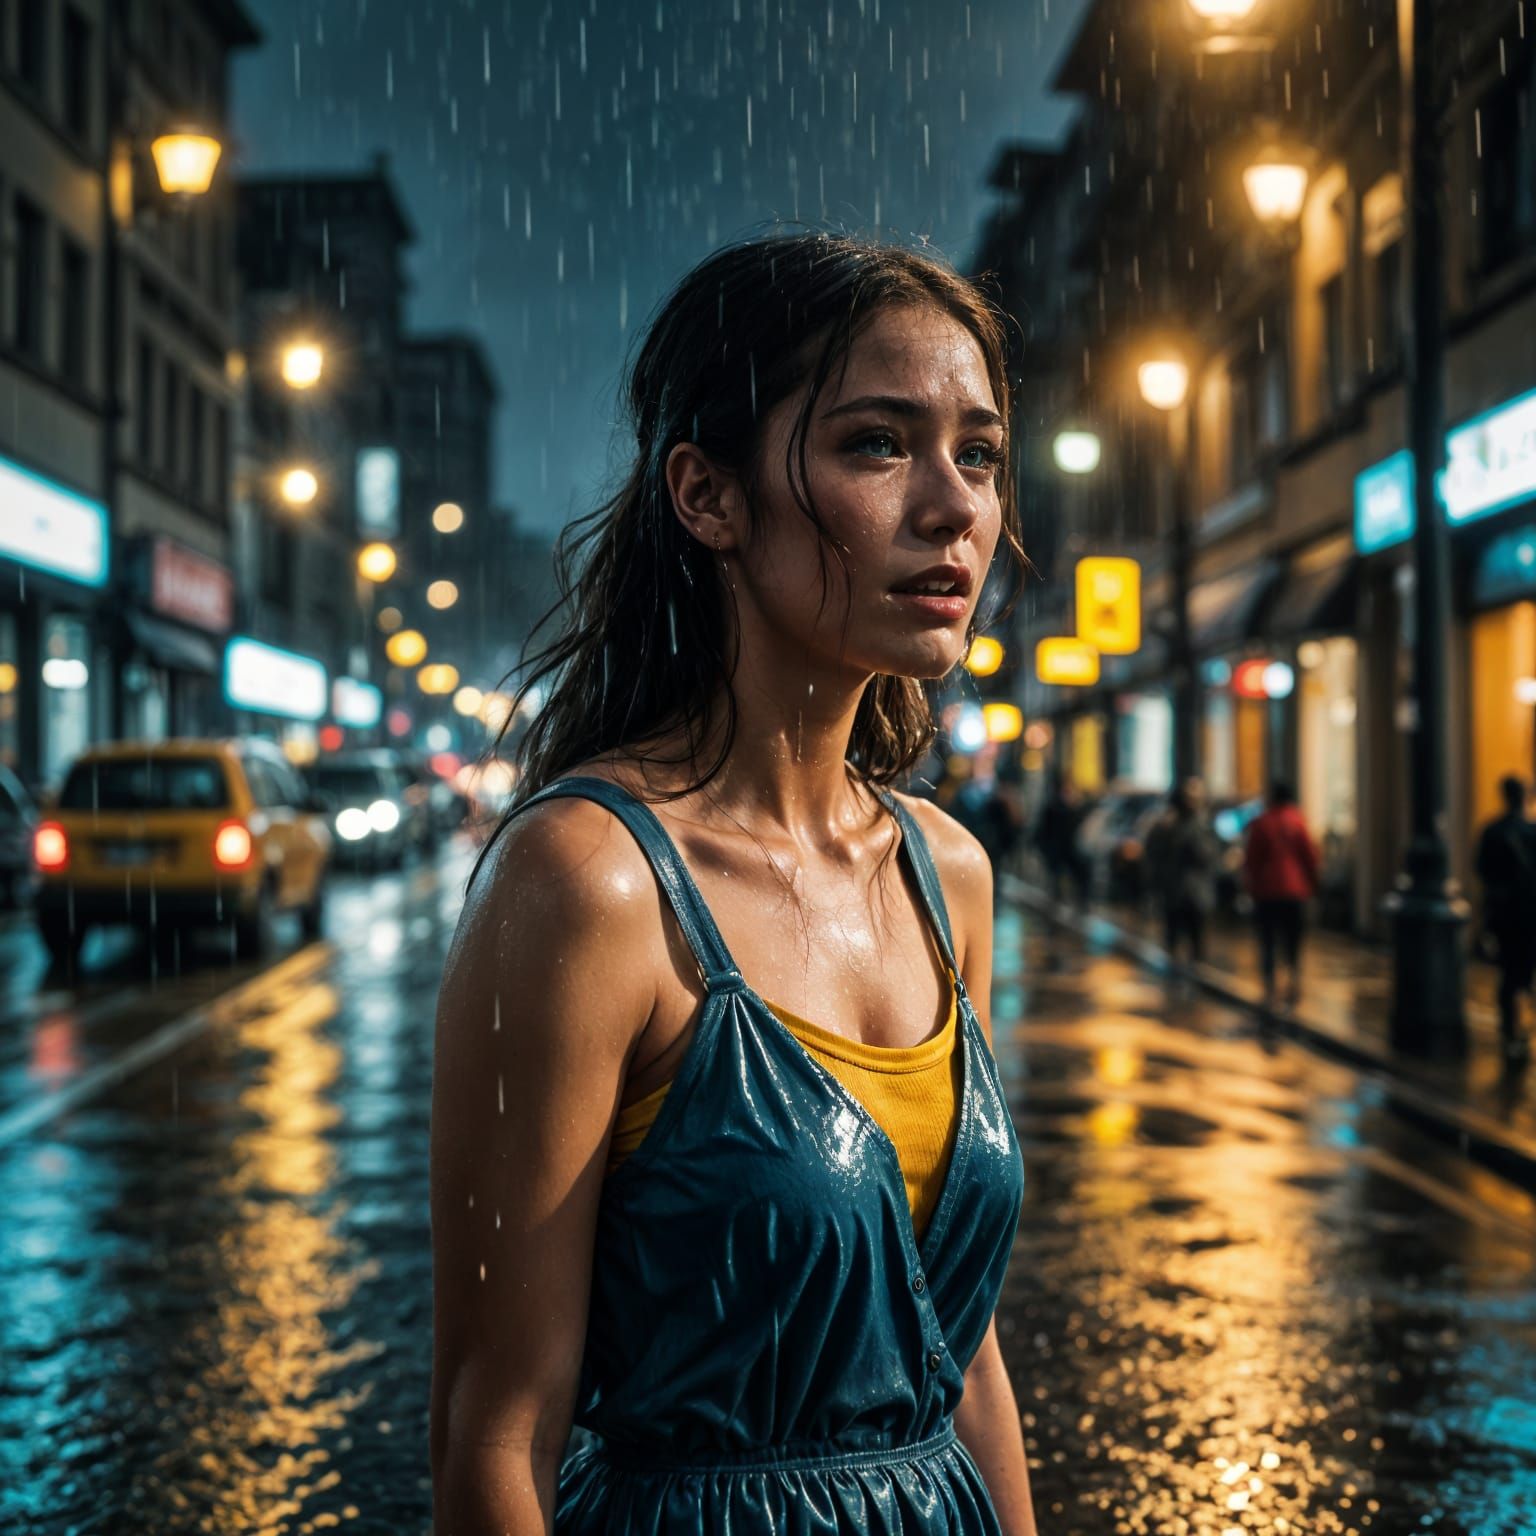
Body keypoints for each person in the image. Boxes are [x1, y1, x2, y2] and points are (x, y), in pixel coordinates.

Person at [430, 233, 1036, 1536]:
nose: (955, 507)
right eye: (878, 443)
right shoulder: (588, 883)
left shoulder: (949, 875)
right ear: (708, 495)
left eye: (980, 454)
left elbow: (964, 1356)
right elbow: (496, 1435)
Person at [1475, 774, 1536, 1070]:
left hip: (1503, 914)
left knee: (1508, 973)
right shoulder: (1531, 831)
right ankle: (1521, 1028)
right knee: (1524, 972)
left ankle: (1510, 1030)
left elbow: (1481, 870)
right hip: (1529, 913)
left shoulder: (1492, 831)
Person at [1242, 780, 1320, 1010]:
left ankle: (1270, 985)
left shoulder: (1262, 823)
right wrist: (1314, 884)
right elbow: (1310, 856)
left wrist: (1250, 885)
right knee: (1293, 938)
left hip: (1267, 891)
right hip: (1295, 890)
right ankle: (1293, 978)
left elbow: (1252, 859)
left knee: (1268, 939)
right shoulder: (1298, 821)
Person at [1143, 779, 1218, 965]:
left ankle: (1181, 969)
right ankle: (1187, 970)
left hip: (1177, 892)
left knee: (1178, 940)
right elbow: (1206, 855)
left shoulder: (1165, 826)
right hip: (1188, 892)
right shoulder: (1191, 827)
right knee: (1191, 942)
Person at [1034, 775, 1088, 911]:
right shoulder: (1053, 807)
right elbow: (1044, 830)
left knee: (1078, 879)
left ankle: (1078, 904)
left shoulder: (1077, 807)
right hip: (1057, 850)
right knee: (1056, 880)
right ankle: (1056, 904)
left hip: (1071, 850)